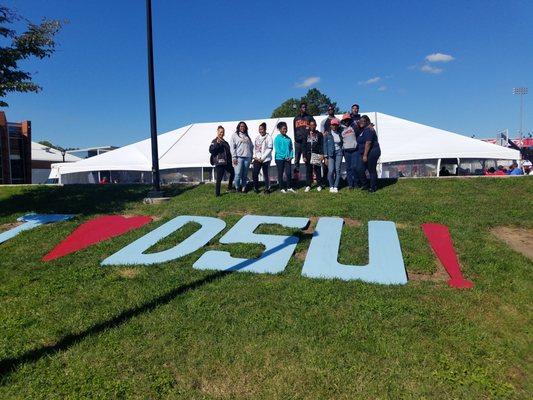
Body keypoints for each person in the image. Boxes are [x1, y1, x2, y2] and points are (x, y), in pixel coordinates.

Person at [356, 115, 381, 192]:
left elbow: (368, 142)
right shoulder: (363, 130)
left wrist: (365, 155)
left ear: (367, 122)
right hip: (365, 153)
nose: (361, 122)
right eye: (360, 121)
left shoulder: (368, 130)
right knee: (359, 169)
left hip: (372, 152)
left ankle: (373, 187)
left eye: (363, 121)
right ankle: (365, 184)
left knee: (371, 170)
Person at [209, 126, 235, 196]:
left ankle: (229, 188)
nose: (221, 133)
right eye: (220, 132)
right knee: (219, 179)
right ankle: (217, 194)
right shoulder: (214, 141)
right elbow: (211, 150)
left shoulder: (225, 142)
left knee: (233, 172)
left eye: (223, 132)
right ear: (217, 132)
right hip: (220, 163)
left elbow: (229, 152)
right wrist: (217, 144)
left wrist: (231, 160)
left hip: (227, 163)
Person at [230, 121, 253, 192]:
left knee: (245, 174)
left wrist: (251, 155)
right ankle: (237, 187)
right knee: (237, 174)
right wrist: (234, 157)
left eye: (244, 126)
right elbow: (232, 147)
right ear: (238, 127)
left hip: (247, 157)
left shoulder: (247, 136)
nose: (242, 127)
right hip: (238, 157)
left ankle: (244, 188)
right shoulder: (234, 135)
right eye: (241, 126)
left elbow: (251, 146)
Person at [302, 119, 324, 192]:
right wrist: (304, 155)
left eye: (313, 125)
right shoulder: (305, 134)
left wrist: (321, 154)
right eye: (311, 125)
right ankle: (308, 185)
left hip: (316, 154)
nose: (312, 126)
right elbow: (304, 145)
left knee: (317, 170)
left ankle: (319, 185)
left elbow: (321, 145)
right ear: (309, 126)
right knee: (309, 170)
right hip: (308, 154)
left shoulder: (319, 134)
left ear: (316, 125)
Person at [340, 113, 360, 189]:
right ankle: (350, 184)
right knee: (348, 168)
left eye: (348, 120)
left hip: (355, 150)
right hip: (346, 151)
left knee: (354, 167)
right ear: (343, 121)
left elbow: (359, 135)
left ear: (350, 120)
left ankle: (356, 183)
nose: (346, 121)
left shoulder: (354, 127)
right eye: (345, 120)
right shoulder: (341, 129)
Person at [293, 102, 312, 180]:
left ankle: (309, 177)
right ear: (300, 108)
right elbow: (294, 130)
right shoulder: (296, 118)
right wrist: (295, 139)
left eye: (305, 107)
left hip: (307, 142)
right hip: (298, 142)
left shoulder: (309, 117)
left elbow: (313, 125)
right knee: (296, 159)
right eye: (303, 107)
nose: (304, 108)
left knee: (307, 159)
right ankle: (296, 177)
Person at [252, 122, 273, 194]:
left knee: (266, 174)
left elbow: (269, 148)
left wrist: (262, 158)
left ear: (265, 129)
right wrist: (255, 157)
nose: (261, 131)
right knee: (255, 173)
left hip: (266, 159)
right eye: (259, 129)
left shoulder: (269, 137)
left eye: (262, 129)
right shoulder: (257, 138)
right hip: (257, 159)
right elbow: (255, 148)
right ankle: (256, 187)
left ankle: (267, 188)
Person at [274, 121, 295, 193]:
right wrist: (284, 157)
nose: (285, 130)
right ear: (280, 129)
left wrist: (291, 156)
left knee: (288, 173)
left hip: (288, 159)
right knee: (280, 173)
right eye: (283, 129)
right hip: (279, 159)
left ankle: (289, 187)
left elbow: (291, 148)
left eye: (286, 128)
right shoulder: (277, 138)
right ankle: (281, 188)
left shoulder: (288, 138)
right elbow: (277, 150)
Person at [323, 118, 343, 193]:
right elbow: (325, 145)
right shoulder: (327, 134)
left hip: (339, 153)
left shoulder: (340, 133)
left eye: (336, 125)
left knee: (337, 170)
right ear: (330, 125)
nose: (334, 126)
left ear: (338, 126)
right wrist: (325, 157)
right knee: (331, 171)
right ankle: (331, 186)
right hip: (330, 154)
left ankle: (336, 186)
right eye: (333, 125)